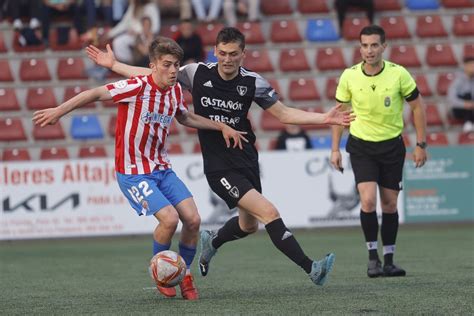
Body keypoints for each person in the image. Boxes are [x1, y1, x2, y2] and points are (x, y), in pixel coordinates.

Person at [85, 27, 356, 287]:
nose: (227, 59)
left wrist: (323, 118)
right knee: (269, 212)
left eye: (233, 53)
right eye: (222, 53)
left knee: (248, 226)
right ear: (215, 51)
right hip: (219, 167)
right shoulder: (197, 73)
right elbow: (154, 72)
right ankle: (312, 269)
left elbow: (284, 114)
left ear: (243, 54)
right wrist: (115, 65)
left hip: (246, 158)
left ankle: (213, 242)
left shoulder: (253, 82)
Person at [33, 37, 247, 300]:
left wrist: (221, 126)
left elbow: (186, 117)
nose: (172, 70)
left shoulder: (175, 91)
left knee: (193, 219)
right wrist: (59, 110)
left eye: (176, 65)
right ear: (153, 66)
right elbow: (95, 93)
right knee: (169, 219)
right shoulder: (136, 86)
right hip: (133, 171)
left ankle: (184, 273)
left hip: (161, 169)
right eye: (167, 64)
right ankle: (161, 272)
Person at [330, 25, 428, 278]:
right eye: (364, 45)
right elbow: (339, 114)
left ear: (384, 46)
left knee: (390, 204)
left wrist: (421, 144)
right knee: (368, 200)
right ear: (360, 47)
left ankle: (389, 260)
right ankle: (372, 258)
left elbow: (418, 108)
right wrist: (335, 149)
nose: (369, 50)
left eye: (374, 45)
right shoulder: (349, 76)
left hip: (392, 146)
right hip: (361, 145)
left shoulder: (399, 74)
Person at [447, 56, 474, 133]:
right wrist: (465, 104)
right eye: (471, 65)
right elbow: (451, 99)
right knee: (467, 95)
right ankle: (468, 121)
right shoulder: (458, 80)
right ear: (466, 66)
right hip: (459, 109)